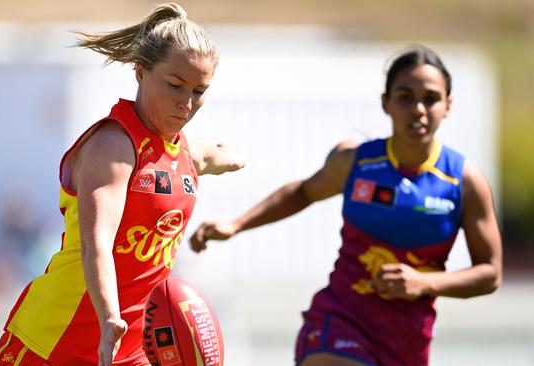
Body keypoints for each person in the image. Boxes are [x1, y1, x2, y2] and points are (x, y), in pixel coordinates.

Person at [190, 44, 502, 366]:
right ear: (386, 103)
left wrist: (425, 283)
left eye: (431, 98)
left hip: (407, 340)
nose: (418, 109)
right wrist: (237, 224)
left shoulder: (463, 182)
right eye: (406, 97)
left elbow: (490, 273)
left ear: (448, 105)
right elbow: (303, 192)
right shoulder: (356, 161)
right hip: (339, 319)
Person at [0, 3, 243, 365]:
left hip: (132, 346)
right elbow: (98, 247)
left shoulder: (185, 152)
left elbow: (221, 154)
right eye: (174, 85)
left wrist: (237, 161)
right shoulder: (113, 146)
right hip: (57, 338)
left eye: (199, 91)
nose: (186, 103)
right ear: (141, 72)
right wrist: (109, 317)